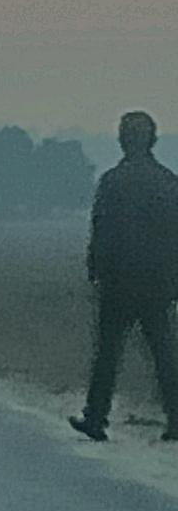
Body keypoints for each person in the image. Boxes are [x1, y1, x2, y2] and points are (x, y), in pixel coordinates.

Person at [69, 111, 178, 441]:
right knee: (164, 355)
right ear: (153, 140)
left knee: (107, 355)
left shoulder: (112, 181)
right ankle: (176, 421)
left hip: (118, 283)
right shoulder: (168, 182)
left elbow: (101, 232)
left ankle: (96, 417)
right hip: (157, 283)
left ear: (122, 140)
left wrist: (95, 271)